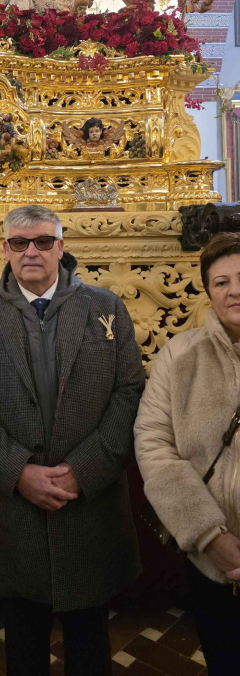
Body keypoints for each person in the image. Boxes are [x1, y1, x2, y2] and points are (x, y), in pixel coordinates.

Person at [0, 203, 144, 676]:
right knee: (23, 646)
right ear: (6, 250)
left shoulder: (106, 308)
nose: (30, 251)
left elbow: (129, 392)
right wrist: (18, 472)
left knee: (90, 643)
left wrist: (84, 470)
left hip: (89, 504)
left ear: (61, 247)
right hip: (17, 510)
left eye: (42, 241)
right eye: (19, 243)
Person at [134, 232, 240, 675]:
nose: (234, 290)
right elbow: (154, 446)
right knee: (226, 659)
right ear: (209, 293)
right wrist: (210, 536)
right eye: (221, 282)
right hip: (212, 554)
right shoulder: (179, 356)